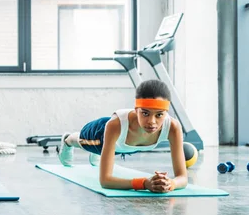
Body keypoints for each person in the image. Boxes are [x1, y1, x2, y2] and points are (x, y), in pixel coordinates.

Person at [58, 79, 188, 193]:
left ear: (166, 113)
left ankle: (103, 154)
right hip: (99, 135)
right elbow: (105, 181)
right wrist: (143, 183)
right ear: (136, 110)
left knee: (111, 150)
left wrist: (171, 184)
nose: (152, 122)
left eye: (159, 115)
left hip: (124, 145)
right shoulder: (114, 125)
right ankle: (68, 140)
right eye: (145, 113)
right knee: (80, 141)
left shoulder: (173, 127)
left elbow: (183, 178)